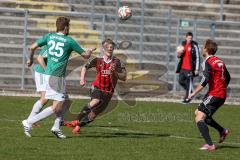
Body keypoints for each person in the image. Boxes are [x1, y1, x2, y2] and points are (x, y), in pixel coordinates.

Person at [22, 16, 96, 139]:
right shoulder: (69, 41)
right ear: (66, 27)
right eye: (69, 26)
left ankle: (56, 127)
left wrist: (29, 59)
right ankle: (28, 122)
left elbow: (32, 47)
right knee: (56, 107)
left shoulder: (49, 36)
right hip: (56, 77)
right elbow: (85, 56)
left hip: (49, 74)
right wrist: (90, 51)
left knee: (65, 102)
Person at [65, 38, 127, 134]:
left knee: (93, 115)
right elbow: (84, 67)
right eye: (108, 47)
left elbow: (124, 77)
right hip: (97, 87)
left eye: (111, 47)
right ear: (103, 49)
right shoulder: (97, 60)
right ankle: (76, 120)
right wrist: (82, 79)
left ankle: (78, 126)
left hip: (109, 92)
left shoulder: (117, 62)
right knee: (95, 101)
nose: (110, 49)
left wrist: (115, 71)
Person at [188, 39, 231, 151]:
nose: (202, 49)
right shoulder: (220, 61)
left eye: (203, 47)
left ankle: (210, 145)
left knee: (199, 118)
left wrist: (193, 93)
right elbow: (228, 77)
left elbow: (204, 80)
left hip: (215, 94)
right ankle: (222, 131)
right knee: (199, 113)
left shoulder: (208, 61)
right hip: (221, 94)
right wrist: (222, 88)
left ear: (207, 49)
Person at [176, 32, 200, 103]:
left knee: (189, 83)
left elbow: (197, 57)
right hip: (182, 68)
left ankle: (187, 99)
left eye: (191, 38)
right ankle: (191, 92)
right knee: (180, 81)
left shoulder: (194, 45)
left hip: (190, 68)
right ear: (186, 38)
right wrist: (179, 54)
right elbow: (179, 56)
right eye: (189, 38)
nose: (190, 39)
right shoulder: (183, 44)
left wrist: (197, 69)